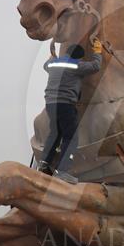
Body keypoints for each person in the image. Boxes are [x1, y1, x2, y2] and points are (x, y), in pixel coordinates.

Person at [38, 39, 102, 184]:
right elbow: (95, 66)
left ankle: (43, 165)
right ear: (78, 57)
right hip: (65, 104)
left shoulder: (53, 64)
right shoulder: (76, 65)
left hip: (50, 104)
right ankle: (62, 171)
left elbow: (45, 65)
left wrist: (52, 55)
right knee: (71, 137)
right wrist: (98, 51)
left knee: (55, 133)